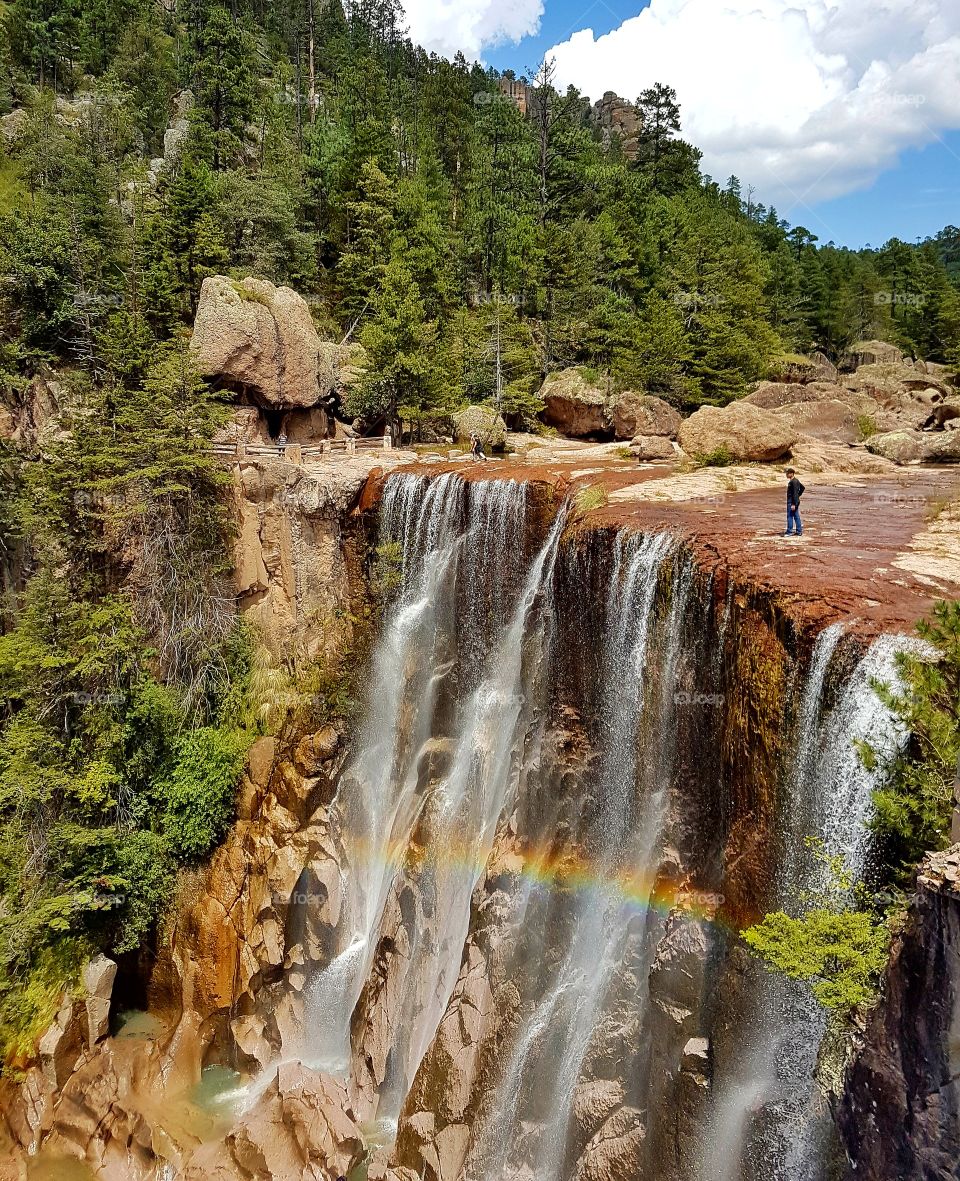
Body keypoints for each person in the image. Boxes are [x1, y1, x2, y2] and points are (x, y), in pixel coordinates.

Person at [784, 467, 804, 536]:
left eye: (787, 473)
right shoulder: (796, 481)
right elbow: (802, 488)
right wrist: (798, 496)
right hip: (795, 500)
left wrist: (793, 503)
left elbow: (795, 493)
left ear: (791, 474)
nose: (786, 474)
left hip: (792, 501)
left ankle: (789, 531)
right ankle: (799, 531)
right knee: (796, 516)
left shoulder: (794, 482)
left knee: (790, 516)